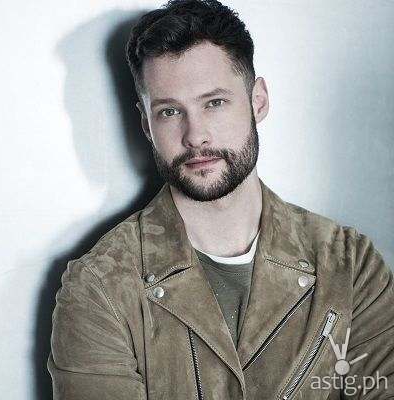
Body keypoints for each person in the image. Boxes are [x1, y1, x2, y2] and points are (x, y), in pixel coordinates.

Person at [47, 0, 394, 399]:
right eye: (169, 112)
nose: (195, 135)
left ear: (258, 101)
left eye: (214, 103)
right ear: (146, 124)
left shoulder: (349, 264)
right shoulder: (100, 286)